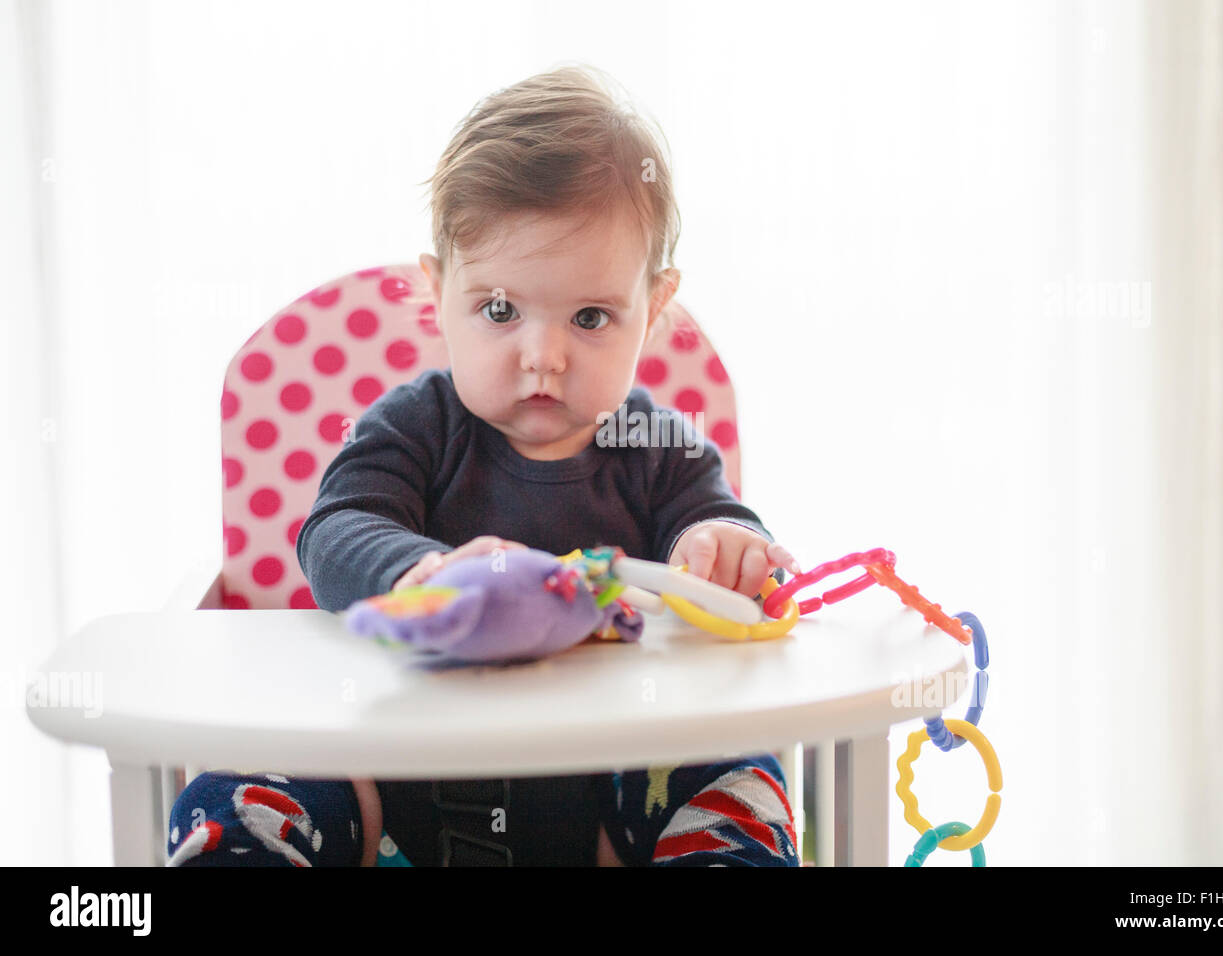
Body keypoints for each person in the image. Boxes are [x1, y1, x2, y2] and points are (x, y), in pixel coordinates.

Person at [168, 64, 802, 867]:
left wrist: (725, 547)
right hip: (389, 785)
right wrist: (419, 570)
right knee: (239, 796)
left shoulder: (660, 447)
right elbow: (332, 532)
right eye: (499, 311)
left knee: (739, 781)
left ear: (656, 305)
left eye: (592, 317)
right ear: (438, 294)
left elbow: (716, 523)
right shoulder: (416, 427)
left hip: (609, 788)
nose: (544, 357)